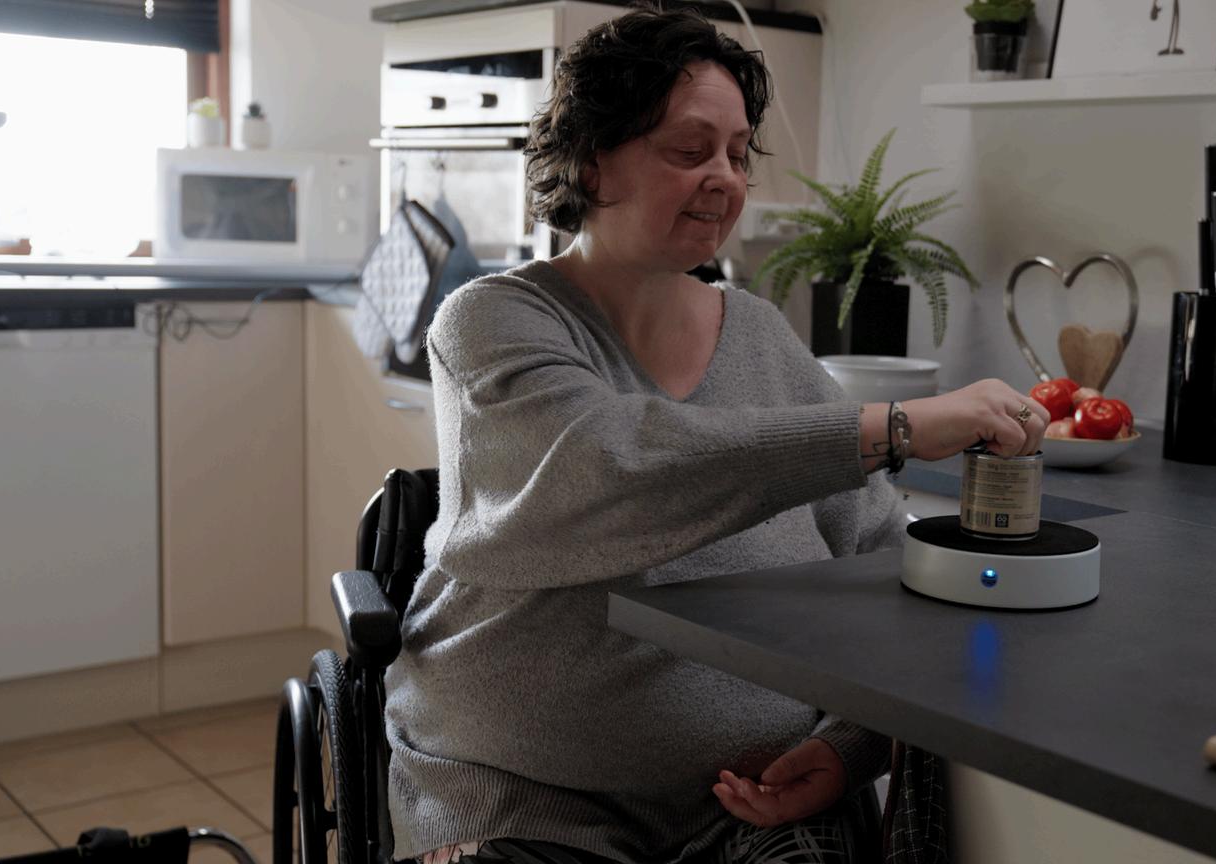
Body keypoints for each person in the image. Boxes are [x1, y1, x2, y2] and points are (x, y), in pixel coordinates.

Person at [383, 8, 1050, 864]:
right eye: (690, 150)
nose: (726, 179)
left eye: (738, 154)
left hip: (751, 808)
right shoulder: (492, 321)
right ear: (591, 159)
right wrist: (894, 427)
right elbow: (610, 466)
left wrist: (847, 749)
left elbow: (882, 557)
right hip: (521, 799)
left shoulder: (761, 336)